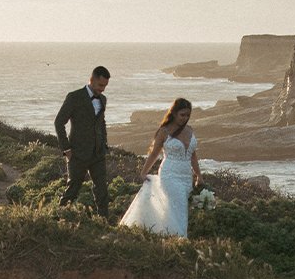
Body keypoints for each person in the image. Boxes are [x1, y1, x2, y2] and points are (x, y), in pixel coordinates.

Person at [118, 98, 201, 237]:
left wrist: (199, 175)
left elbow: (193, 155)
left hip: (186, 177)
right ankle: (180, 238)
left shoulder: (189, 130)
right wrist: (144, 172)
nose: (185, 118)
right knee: (179, 206)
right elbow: (154, 154)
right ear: (174, 113)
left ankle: (167, 235)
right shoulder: (164, 131)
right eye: (182, 115)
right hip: (169, 175)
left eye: (188, 115)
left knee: (177, 209)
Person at [55, 66, 111, 217]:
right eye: (100, 85)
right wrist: (66, 149)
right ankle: (58, 220)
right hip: (77, 153)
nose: (102, 89)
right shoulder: (74, 97)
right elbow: (59, 122)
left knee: (102, 191)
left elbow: (101, 123)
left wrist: (104, 144)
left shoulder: (103, 99)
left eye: (105, 86)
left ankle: (104, 222)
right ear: (91, 80)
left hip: (98, 154)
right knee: (72, 189)